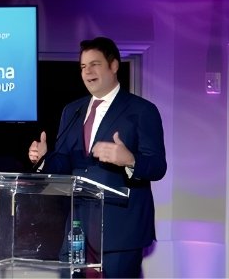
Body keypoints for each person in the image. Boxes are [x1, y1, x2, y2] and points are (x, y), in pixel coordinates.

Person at [27, 37, 166, 279]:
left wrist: (130, 160)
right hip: (78, 224)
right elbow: (64, 162)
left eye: (95, 64)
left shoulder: (142, 110)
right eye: (83, 67)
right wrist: (43, 159)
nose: (87, 72)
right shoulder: (72, 110)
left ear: (114, 66)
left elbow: (158, 167)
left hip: (121, 226)